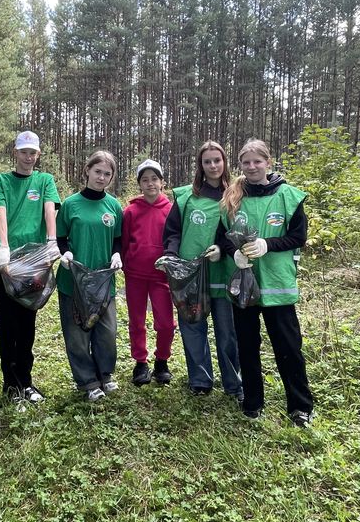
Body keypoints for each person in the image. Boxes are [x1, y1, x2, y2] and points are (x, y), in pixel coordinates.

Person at [218, 138, 313, 426]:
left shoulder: (287, 196)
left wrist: (267, 244)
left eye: (257, 161)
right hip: (245, 286)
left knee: (288, 347)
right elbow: (223, 237)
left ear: (268, 163)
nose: (251, 167)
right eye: (246, 162)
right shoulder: (233, 197)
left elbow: (298, 237)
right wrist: (234, 254)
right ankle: (253, 402)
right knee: (247, 345)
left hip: (277, 284)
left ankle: (299, 407)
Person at [162, 141, 242, 401]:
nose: (213, 165)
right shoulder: (186, 196)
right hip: (190, 276)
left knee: (227, 332)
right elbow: (173, 231)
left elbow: (238, 230)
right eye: (207, 161)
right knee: (192, 327)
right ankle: (200, 381)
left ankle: (234, 384)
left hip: (223, 273)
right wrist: (172, 256)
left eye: (217, 160)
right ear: (200, 165)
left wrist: (221, 247)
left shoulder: (236, 194)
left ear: (224, 162)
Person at [0, 131, 61, 404]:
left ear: (38, 155)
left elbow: (49, 210)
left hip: (35, 263)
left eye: (33, 153)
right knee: (7, 326)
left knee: (27, 323)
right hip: (7, 264)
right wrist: (3, 248)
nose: (28, 157)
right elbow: (0, 212)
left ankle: (26, 382)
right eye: (24, 152)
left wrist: (52, 242)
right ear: (15, 153)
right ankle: (11, 386)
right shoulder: (1, 181)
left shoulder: (44, 181)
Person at [56, 150, 124, 402]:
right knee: (77, 334)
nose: (102, 177)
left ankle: (105, 374)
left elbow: (118, 239)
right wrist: (65, 255)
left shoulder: (113, 206)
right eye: (98, 172)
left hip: (103, 281)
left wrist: (117, 255)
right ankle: (87, 381)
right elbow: (60, 238)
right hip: (73, 281)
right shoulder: (70, 204)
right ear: (87, 171)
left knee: (106, 331)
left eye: (107, 174)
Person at [121, 159, 175, 386]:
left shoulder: (172, 210)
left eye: (154, 179)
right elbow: (124, 242)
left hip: (161, 276)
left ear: (162, 182)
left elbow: (175, 239)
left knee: (166, 323)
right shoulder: (131, 211)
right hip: (135, 275)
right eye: (145, 180)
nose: (150, 183)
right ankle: (140, 362)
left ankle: (161, 361)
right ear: (139, 184)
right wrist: (126, 265)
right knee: (137, 321)